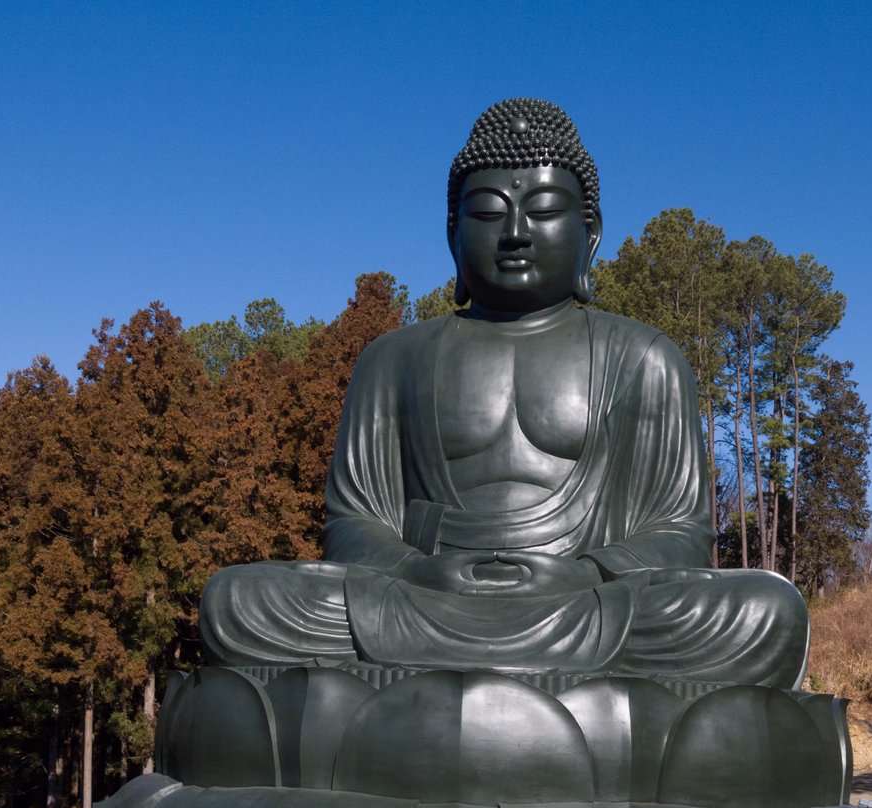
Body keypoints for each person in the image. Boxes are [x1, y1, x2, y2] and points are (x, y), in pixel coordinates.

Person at [198, 97, 808, 686]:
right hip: (419, 600)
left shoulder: (644, 358)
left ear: (589, 232)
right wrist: (418, 569)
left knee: (763, 613)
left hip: (587, 609)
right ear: (452, 232)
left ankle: (393, 711)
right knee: (238, 600)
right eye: (489, 212)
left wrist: (582, 575)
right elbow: (353, 523)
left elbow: (681, 533)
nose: (515, 232)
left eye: (543, 210)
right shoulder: (393, 360)